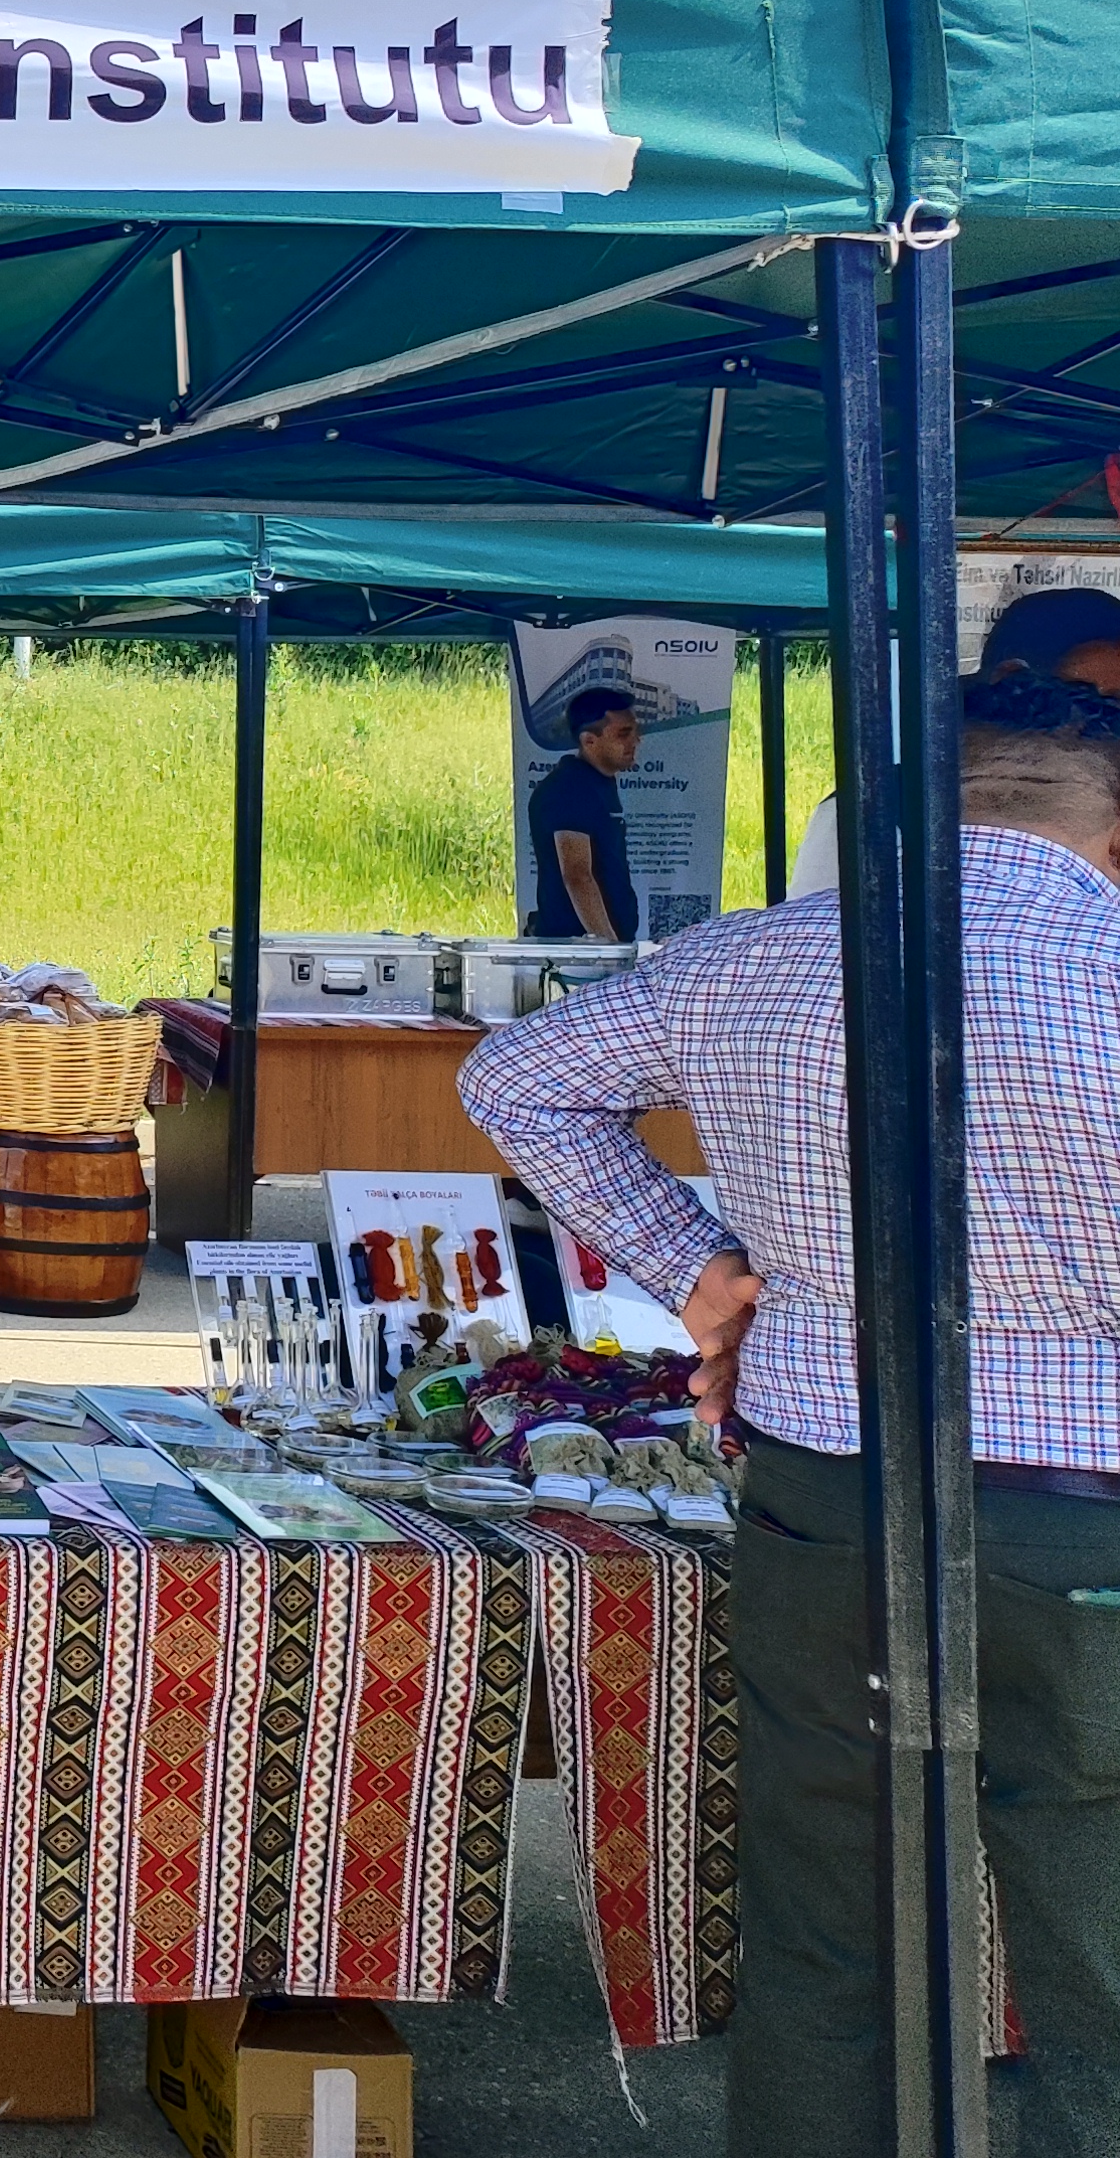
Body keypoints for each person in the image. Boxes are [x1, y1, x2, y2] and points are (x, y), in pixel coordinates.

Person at [460, 671, 1120, 2155]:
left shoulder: (754, 956)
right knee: (1103, 1949)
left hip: (828, 1493)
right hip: (1084, 1520)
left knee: (833, 1929)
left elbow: (517, 1076)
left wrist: (703, 1272)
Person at [789, 587, 1120, 898]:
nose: (1112, 720)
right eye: (1092, 697)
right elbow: (827, 928)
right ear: (1012, 682)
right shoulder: (880, 806)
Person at [523, 686, 642, 941]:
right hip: (581, 952)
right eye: (624, 733)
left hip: (596, 947)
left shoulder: (597, 782)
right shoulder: (571, 788)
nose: (636, 740)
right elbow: (577, 874)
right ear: (589, 741)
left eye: (635, 731)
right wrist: (608, 947)